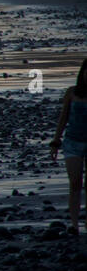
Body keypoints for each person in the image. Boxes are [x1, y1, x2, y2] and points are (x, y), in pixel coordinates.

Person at [50, 59, 87, 234]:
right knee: (75, 182)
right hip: (72, 142)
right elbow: (63, 118)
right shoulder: (71, 93)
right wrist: (55, 141)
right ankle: (74, 223)